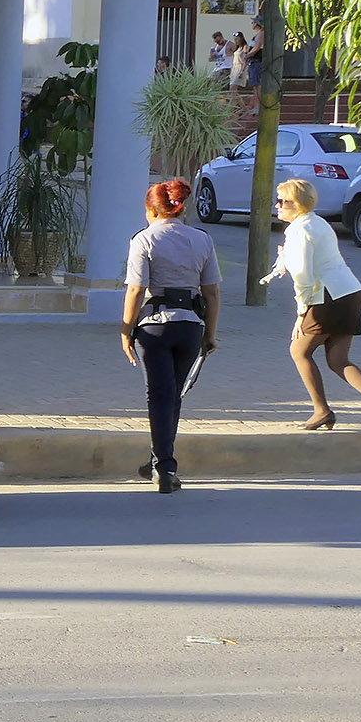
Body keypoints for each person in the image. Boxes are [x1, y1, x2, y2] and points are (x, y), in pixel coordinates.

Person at [259, 178, 361, 436]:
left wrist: (301, 313)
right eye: (277, 200)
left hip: (328, 296)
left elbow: (303, 276)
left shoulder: (299, 230)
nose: (277, 205)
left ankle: (321, 410)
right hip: (350, 291)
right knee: (338, 360)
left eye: (283, 201)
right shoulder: (317, 222)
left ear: (298, 204)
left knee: (299, 351)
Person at [120, 179, 222, 493]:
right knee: (173, 396)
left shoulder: (143, 239)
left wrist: (125, 330)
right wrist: (210, 333)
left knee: (159, 396)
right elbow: (212, 292)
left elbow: (136, 290)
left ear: (152, 210)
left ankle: (163, 465)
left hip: (154, 327)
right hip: (190, 326)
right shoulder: (202, 239)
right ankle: (161, 462)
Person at [246, 16, 265, 90]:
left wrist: (247, 55)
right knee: (254, 83)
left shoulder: (261, 34)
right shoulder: (257, 35)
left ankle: (258, 97)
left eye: (253, 22)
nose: (252, 24)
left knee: (257, 83)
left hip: (256, 61)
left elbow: (257, 47)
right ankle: (256, 96)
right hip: (252, 62)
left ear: (256, 24)